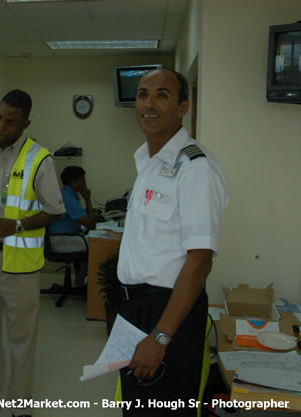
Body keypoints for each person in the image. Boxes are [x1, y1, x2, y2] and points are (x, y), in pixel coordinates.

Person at [117, 68, 228, 416]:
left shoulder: (196, 168)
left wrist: (161, 336)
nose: (148, 104)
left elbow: (199, 261)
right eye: (142, 94)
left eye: (162, 95)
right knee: (136, 408)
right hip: (133, 309)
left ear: (183, 107)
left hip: (168, 315)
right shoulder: (148, 163)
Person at [0, 90, 65, 417]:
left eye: (10, 122)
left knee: (21, 341)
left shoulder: (40, 159)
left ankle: (20, 407)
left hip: (19, 265)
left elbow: (55, 211)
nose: (1, 126)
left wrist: (16, 225)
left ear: (26, 123)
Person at [47, 166, 97, 285]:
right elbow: (91, 225)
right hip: (60, 239)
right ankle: (84, 282)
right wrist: (88, 199)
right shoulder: (67, 198)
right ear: (73, 181)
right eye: (82, 180)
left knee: (89, 240)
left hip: (60, 236)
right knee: (96, 245)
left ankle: (81, 279)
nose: (85, 184)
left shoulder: (65, 193)